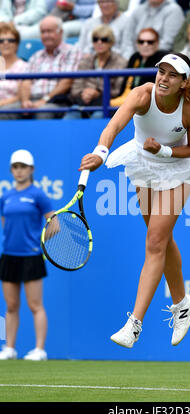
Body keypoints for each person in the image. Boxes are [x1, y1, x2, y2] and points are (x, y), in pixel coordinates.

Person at [78, 52, 190, 348]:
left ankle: (135, 323)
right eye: (161, 72)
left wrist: (166, 152)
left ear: (184, 82)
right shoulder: (142, 95)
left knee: (155, 242)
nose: (163, 78)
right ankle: (184, 303)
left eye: (172, 74)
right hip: (143, 165)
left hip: (177, 169)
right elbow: (114, 126)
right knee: (162, 240)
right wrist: (101, 152)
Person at [0, 150, 54, 361]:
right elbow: (6, 224)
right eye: (16, 167)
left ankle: (40, 349)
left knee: (35, 305)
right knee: (11, 306)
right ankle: (9, 348)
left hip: (31, 256)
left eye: (23, 167)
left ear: (31, 170)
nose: (19, 171)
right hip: (9, 256)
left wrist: (35, 244)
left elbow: (54, 224)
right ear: (12, 170)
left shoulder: (38, 195)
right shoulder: (5, 196)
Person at [14, 15, 81, 120]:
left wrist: (44, 100)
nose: (46, 35)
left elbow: (66, 82)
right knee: (6, 111)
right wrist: (25, 101)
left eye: (49, 31)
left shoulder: (72, 52)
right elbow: (26, 81)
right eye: (43, 32)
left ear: (61, 32)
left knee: (43, 112)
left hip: (57, 101)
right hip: (32, 100)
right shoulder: (36, 56)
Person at [64, 24, 127, 119]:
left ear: (111, 43)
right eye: (95, 39)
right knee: (70, 116)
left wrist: (98, 92)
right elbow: (75, 88)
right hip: (83, 101)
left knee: (98, 116)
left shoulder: (121, 62)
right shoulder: (85, 62)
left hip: (106, 103)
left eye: (104, 40)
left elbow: (118, 90)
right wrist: (84, 93)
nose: (99, 42)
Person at [111, 28, 169, 108]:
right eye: (141, 42)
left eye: (150, 42)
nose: (145, 45)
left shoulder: (164, 59)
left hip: (149, 103)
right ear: (137, 44)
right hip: (126, 99)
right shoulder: (134, 57)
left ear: (157, 43)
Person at [121, 0, 185, 59]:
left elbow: (168, 43)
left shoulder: (174, 10)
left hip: (161, 61)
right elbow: (127, 39)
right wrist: (131, 58)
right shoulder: (138, 10)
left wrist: (145, 55)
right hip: (135, 59)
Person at [0, 23, 28, 120]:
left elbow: (20, 97)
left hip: (12, 107)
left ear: (17, 44)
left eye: (11, 40)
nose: (6, 43)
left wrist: (1, 103)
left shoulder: (24, 67)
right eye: (1, 40)